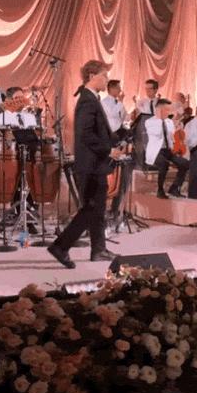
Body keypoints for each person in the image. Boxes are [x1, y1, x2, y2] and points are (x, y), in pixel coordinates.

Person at [48, 60, 122, 267]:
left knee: (97, 209)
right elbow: (86, 134)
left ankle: (98, 250)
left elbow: (97, 131)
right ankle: (60, 246)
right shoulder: (87, 100)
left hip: (95, 165)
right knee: (91, 208)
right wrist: (108, 150)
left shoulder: (91, 98)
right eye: (104, 76)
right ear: (91, 76)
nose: (107, 80)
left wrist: (119, 136)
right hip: (90, 166)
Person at [145, 99, 188, 198]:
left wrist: (176, 128)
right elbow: (157, 133)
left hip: (167, 150)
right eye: (167, 110)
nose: (169, 112)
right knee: (164, 164)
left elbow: (171, 137)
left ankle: (174, 188)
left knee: (185, 163)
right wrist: (162, 120)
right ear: (159, 110)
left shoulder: (169, 121)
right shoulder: (149, 122)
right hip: (156, 151)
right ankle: (160, 190)